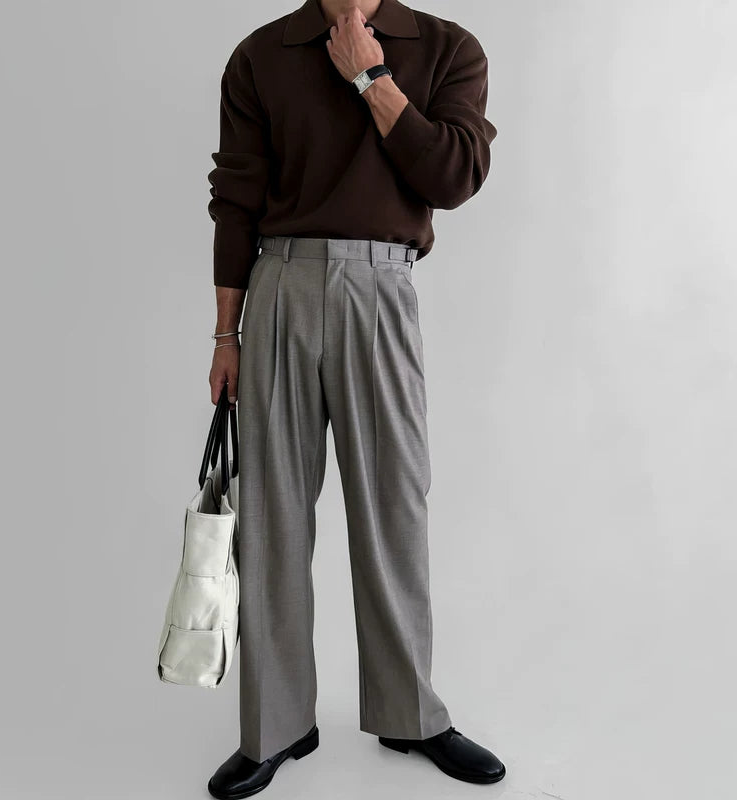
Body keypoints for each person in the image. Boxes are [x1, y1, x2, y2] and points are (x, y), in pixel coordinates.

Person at [205, 1, 503, 796]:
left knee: (394, 505)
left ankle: (411, 714)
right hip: (279, 285)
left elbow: (454, 177)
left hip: (382, 285)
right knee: (270, 514)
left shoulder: (446, 47)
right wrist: (226, 334)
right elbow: (236, 198)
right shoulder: (262, 53)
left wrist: (371, 75)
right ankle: (275, 725)